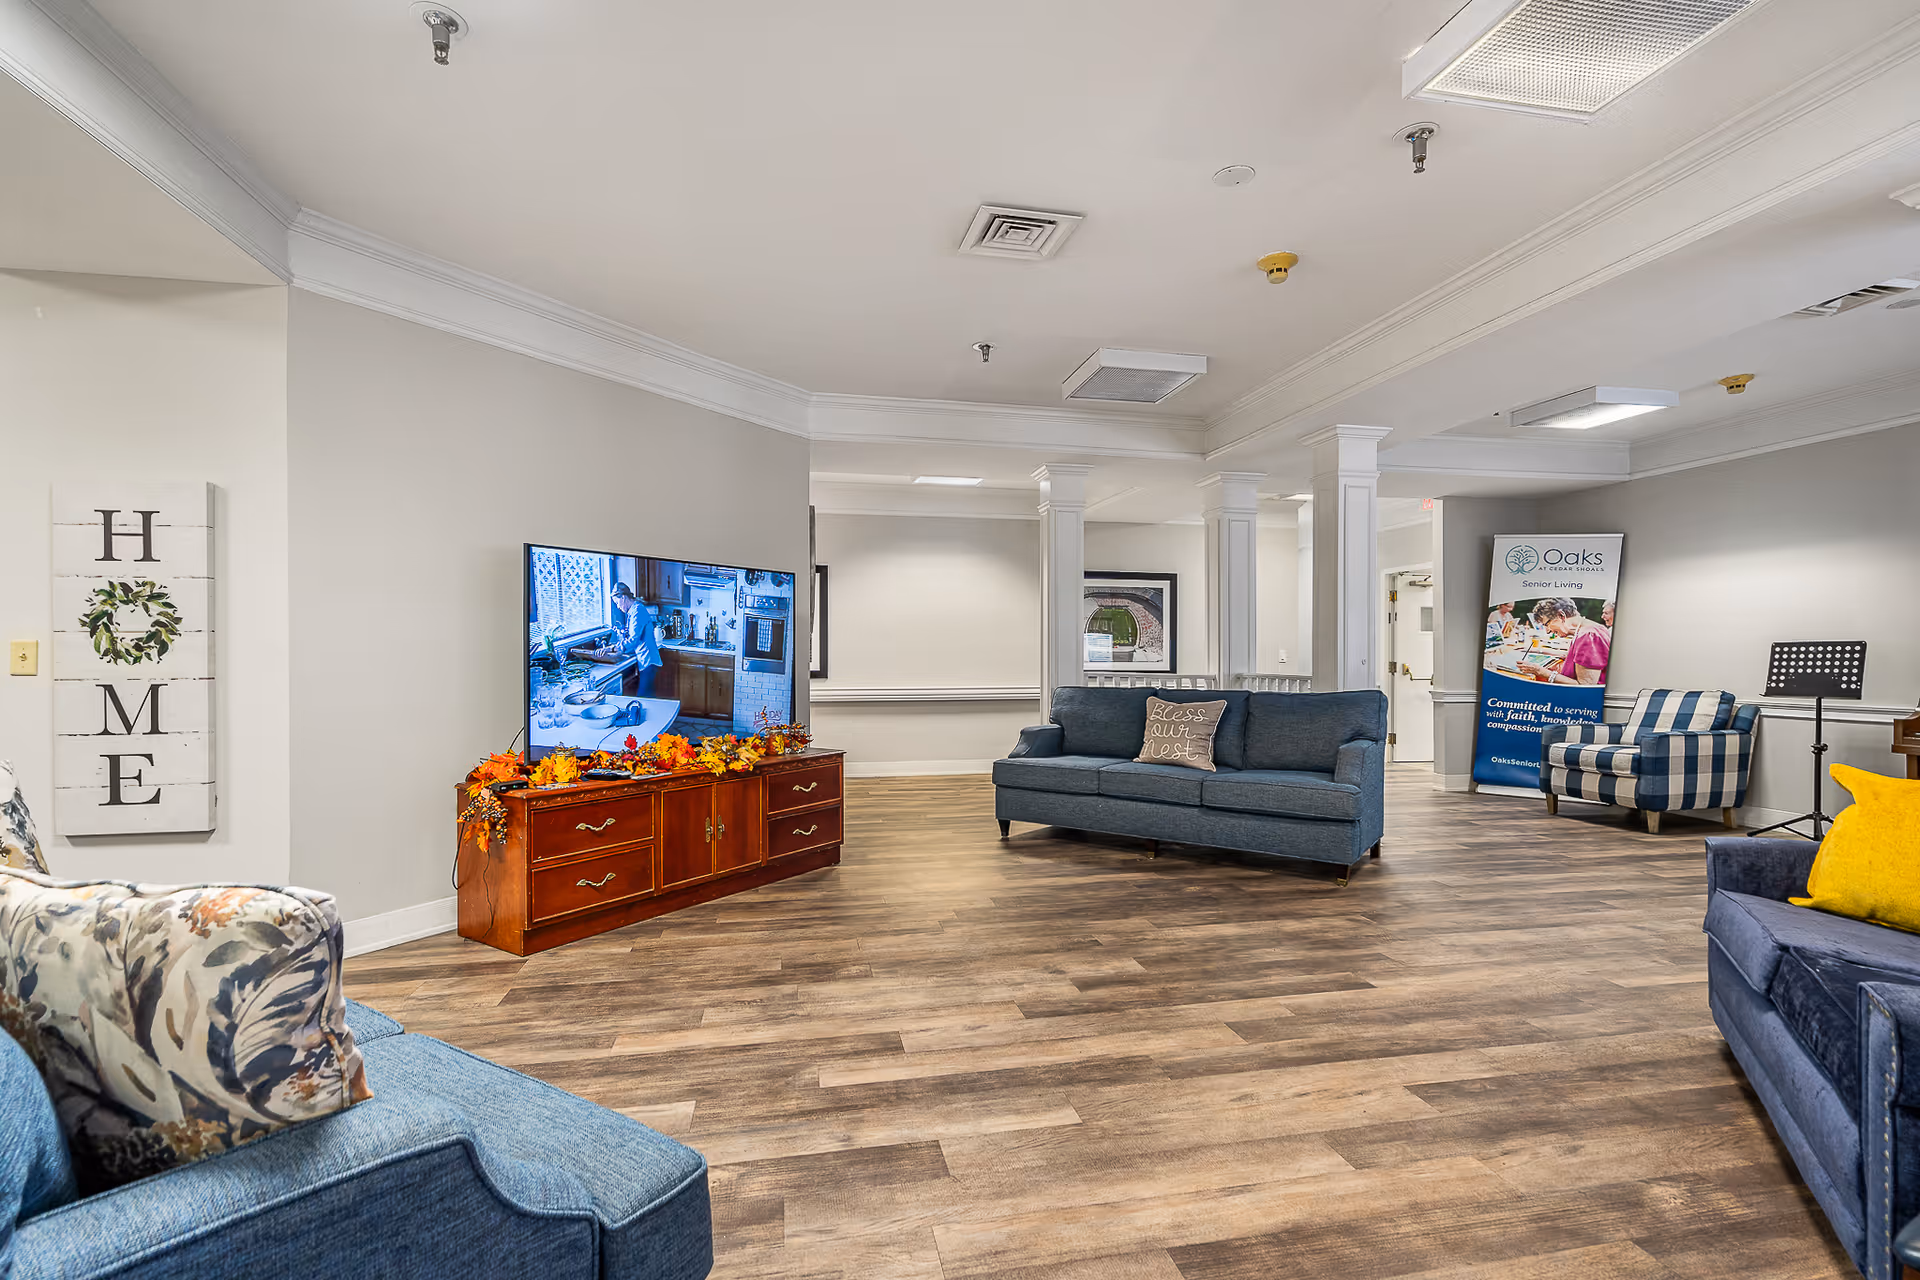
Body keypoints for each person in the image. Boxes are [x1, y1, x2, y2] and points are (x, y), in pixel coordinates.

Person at [1517, 598, 1609, 685]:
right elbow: (1581, 657)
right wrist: (1539, 651)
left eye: (1547, 624)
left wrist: (1539, 671)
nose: (1547, 631)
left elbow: (1584, 686)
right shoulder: (1594, 629)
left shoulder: (1588, 636)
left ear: (1561, 616)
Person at [607, 582, 663, 698]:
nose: (618, 606)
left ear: (623, 597)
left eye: (617, 603)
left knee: (643, 698)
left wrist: (615, 647)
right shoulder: (634, 611)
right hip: (647, 661)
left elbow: (633, 640)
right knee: (647, 698)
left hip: (648, 661)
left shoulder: (637, 611)